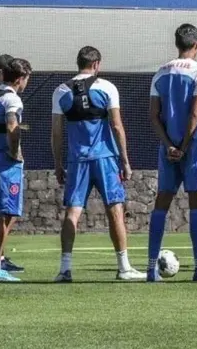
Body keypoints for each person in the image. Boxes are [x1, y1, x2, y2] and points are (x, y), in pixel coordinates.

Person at [50, 46, 144, 282]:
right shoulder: (106, 87)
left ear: (78, 62)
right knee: (115, 210)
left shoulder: (61, 91)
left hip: (77, 160)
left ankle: (64, 270)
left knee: (72, 213)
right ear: (97, 64)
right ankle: (124, 268)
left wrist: (58, 164)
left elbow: (56, 133)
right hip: (105, 159)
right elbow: (117, 126)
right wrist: (125, 161)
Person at [147, 23, 197, 282]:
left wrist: (169, 146)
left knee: (162, 201)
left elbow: (153, 116)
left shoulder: (160, 73)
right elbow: (195, 113)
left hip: (167, 146)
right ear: (196, 45)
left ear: (177, 44)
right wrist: (185, 147)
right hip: (193, 145)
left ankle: (151, 269)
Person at [0, 58, 32, 282]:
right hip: (4, 164)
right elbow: (12, 126)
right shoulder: (12, 99)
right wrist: (13, 152)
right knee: (4, 214)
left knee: (3, 215)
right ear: (20, 78)